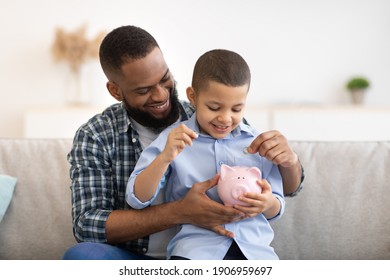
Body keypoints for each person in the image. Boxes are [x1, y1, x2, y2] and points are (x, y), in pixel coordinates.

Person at [62, 25, 303, 260]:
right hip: (152, 256)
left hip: (231, 251)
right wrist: (180, 212)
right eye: (144, 90)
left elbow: (286, 189)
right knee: (82, 257)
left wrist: (290, 161)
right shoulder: (97, 135)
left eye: (165, 78)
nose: (161, 95)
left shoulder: (217, 116)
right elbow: (87, 225)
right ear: (116, 91)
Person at [126, 49, 284, 260]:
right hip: (195, 253)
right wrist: (164, 157)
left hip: (254, 253)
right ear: (193, 96)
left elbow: (277, 206)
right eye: (214, 107)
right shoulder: (173, 139)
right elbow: (137, 198)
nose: (225, 118)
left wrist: (267, 204)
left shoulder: (257, 143)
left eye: (236, 109)